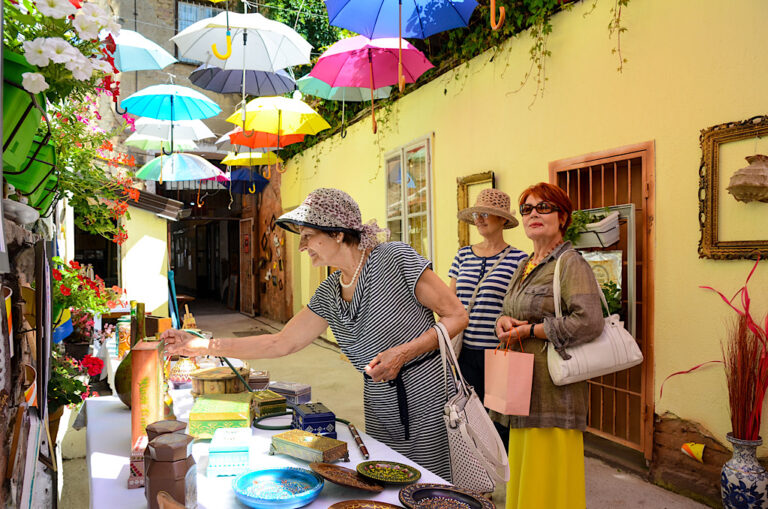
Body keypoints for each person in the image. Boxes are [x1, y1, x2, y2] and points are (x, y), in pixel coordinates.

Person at [162, 188, 468, 481]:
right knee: (389, 478)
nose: (301, 246)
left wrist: (403, 353)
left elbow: (457, 315)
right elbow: (280, 342)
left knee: (429, 486)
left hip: (427, 399)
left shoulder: (394, 259)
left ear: (337, 233)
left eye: (308, 236)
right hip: (378, 402)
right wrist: (202, 346)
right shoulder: (330, 292)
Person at [492, 182, 604, 509]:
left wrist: (533, 330)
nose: (533, 215)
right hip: (522, 390)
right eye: (527, 209)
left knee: (548, 485)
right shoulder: (525, 264)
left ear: (563, 216)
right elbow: (512, 310)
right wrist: (503, 322)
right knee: (525, 477)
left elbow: (589, 321)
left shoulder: (570, 263)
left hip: (553, 395)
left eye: (544, 207)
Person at [448, 188, 527, 448]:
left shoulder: (520, 260)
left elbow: (520, 305)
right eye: (477, 214)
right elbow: (450, 300)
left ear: (503, 220)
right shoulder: (463, 255)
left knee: (500, 422)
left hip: (501, 352)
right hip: (465, 352)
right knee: (468, 417)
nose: (480, 219)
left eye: (487, 215)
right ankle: (477, 479)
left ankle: (504, 481)